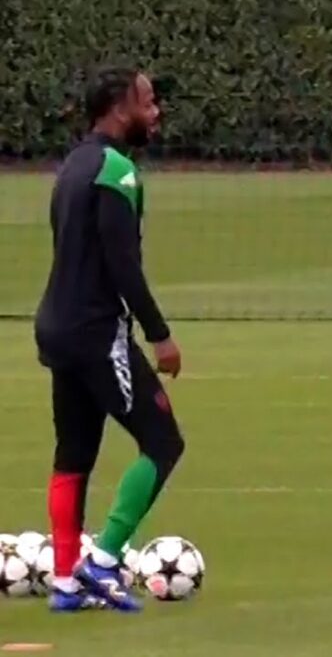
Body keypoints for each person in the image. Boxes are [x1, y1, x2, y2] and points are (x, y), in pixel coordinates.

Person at [33, 64, 185, 614]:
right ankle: (102, 561)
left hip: (56, 326)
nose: (155, 112)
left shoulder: (72, 164)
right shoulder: (117, 170)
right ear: (120, 109)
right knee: (163, 442)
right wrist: (160, 336)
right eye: (148, 102)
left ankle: (65, 582)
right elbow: (123, 266)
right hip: (97, 332)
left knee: (73, 453)